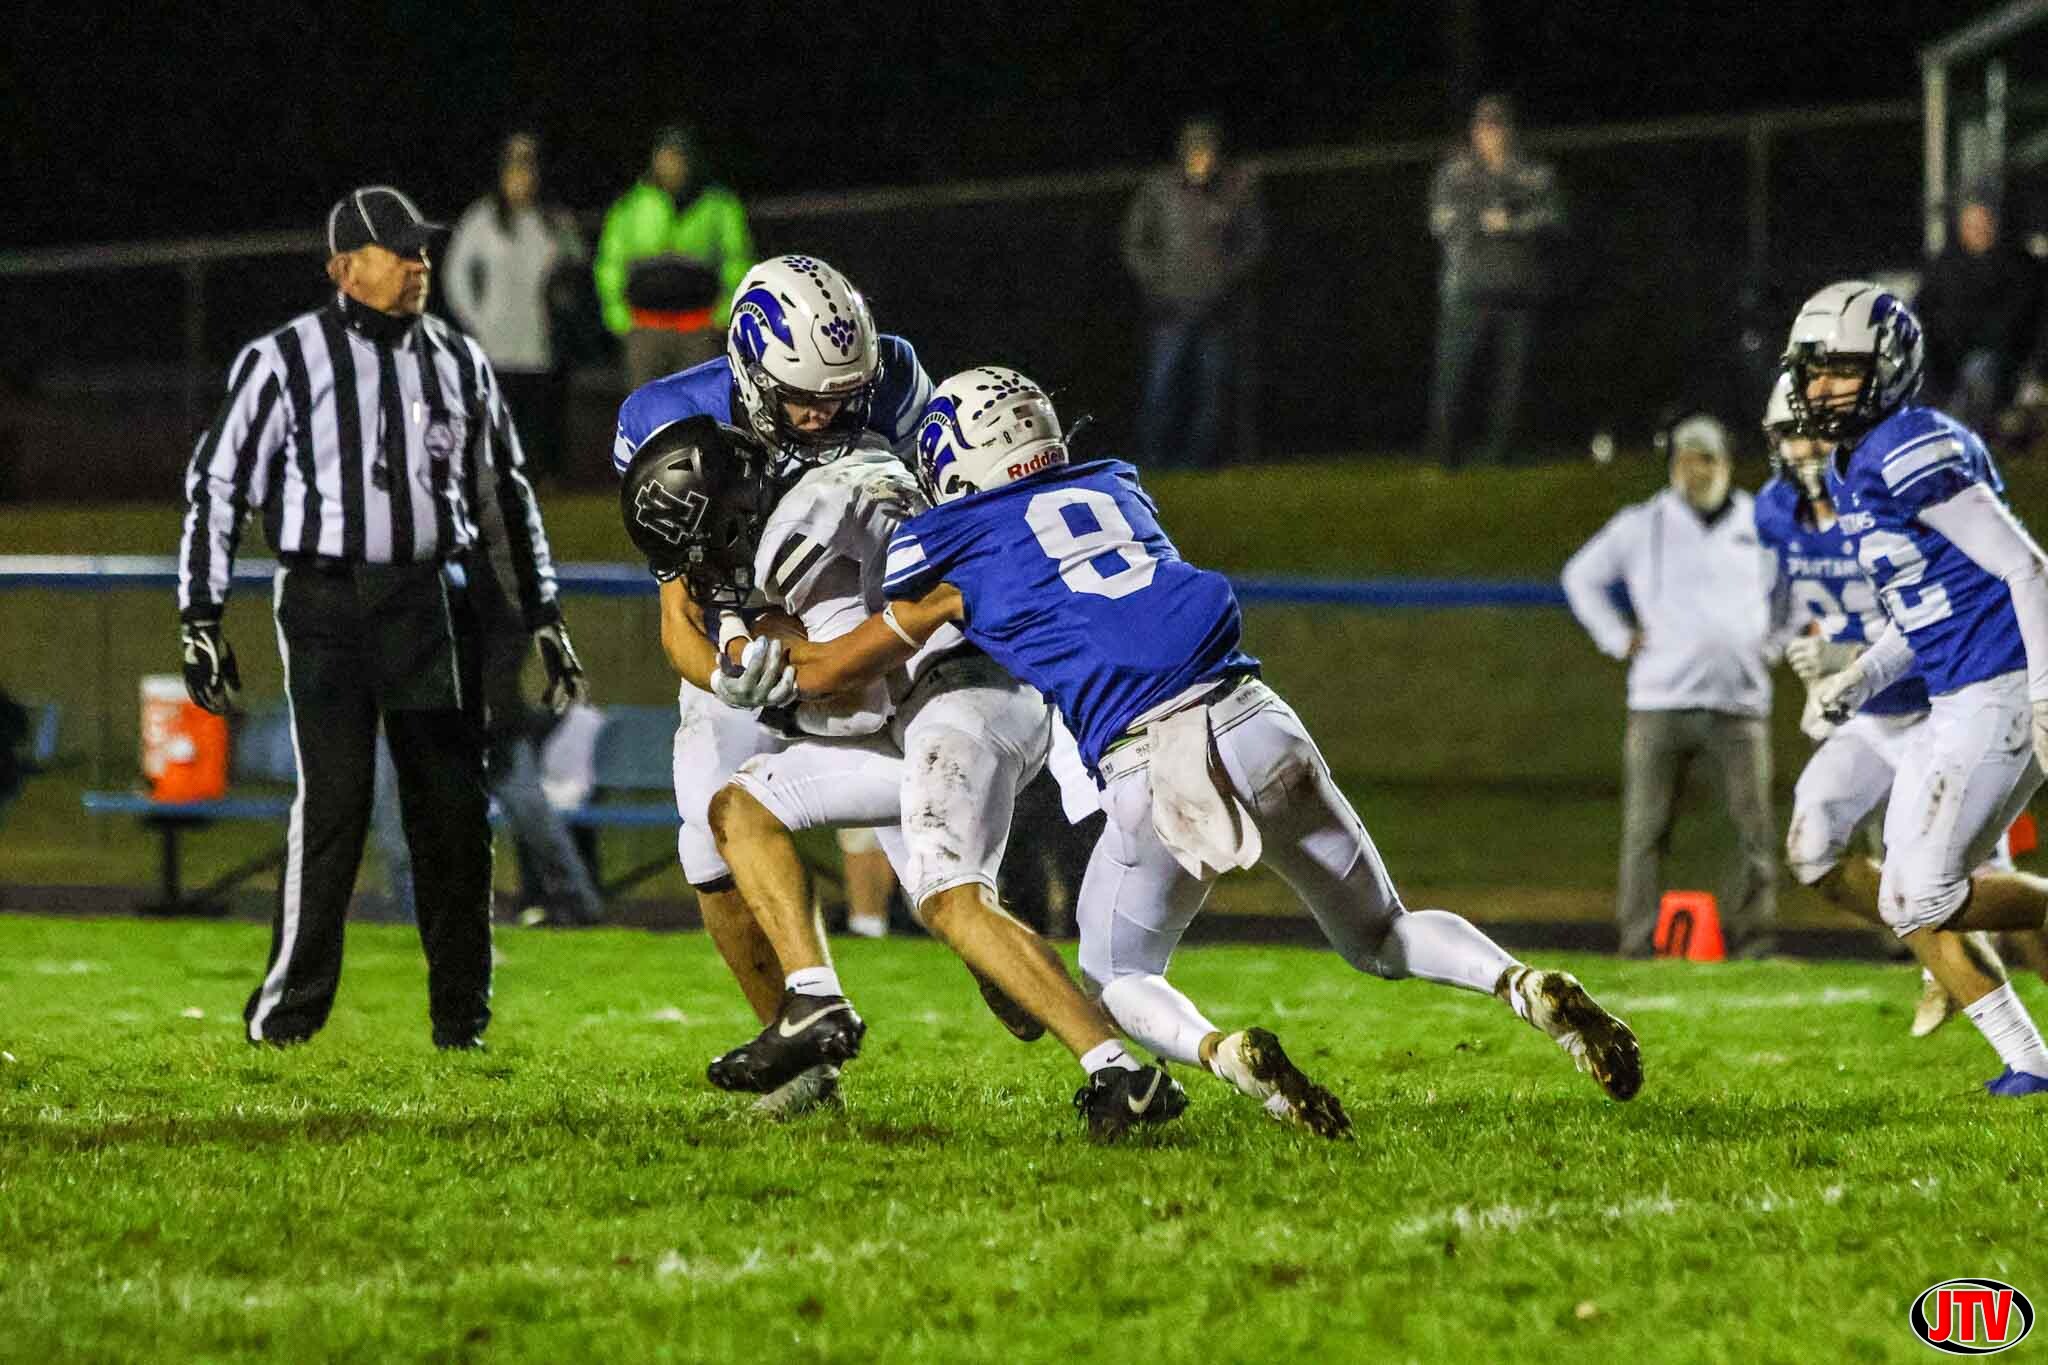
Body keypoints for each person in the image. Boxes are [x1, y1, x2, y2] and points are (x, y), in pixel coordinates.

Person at [764, 366, 1644, 1134]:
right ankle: (1521, 983)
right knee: (1382, 931)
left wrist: (756, 644)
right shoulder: (1116, 484)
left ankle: (1226, 1053)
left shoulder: (947, 539)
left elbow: (846, 658)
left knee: (1113, 974)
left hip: (1152, 755)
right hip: (1257, 714)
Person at [625, 414, 1186, 1140]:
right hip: (939, 707)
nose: (706, 576)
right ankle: (815, 998)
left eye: (706, 553)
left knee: (952, 899)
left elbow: (853, 691)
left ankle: (1119, 1072)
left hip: (966, 698)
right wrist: (760, 646)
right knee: (739, 807)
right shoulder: (835, 483)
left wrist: (775, 686)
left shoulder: (807, 525)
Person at [176, 186, 588, 1049]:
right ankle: (286, 1017)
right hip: (325, 601)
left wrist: (544, 611)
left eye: (422, 248)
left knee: (452, 811)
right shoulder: (284, 360)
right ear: (343, 268)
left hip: (430, 600)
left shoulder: (458, 359)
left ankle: (461, 1020)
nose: (418, 263)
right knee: (334, 804)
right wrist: (200, 616)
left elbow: (504, 495)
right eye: (397, 250)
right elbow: (218, 485)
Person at [1784, 280, 2048, 1095]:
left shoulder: (1909, 447)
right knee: (1904, 897)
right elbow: (1928, 605)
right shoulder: (1857, 461)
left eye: (1840, 369)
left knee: (1927, 889)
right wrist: (1860, 676)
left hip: (2003, 682)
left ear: (1890, 367)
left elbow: (2026, 566)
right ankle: (2030, 1063)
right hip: (1960, 689)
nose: (1821, 386)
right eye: (1813, 370)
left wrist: (2045, 691)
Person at [1757, 371, 2015, 1033]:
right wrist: (1817, 669)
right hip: (1867, 713)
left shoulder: (1877, 492)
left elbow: (1938, 607)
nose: (1804, 449)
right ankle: (1938, 948)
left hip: (1937, 700)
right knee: (1812, 843)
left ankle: (1952, 949)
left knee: (1988, 886)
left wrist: (1852, 658)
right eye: (1790, 434)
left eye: (1813, 432)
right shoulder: (1773, 512)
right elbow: (1791, 608)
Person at [1561, 413, 1780, 959]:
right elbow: (1580, 576)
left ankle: (1755, 943)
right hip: (1660, 700)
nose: (1693, 470)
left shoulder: (1762, 522)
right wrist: (1616, 637)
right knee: (1645, 830)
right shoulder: (1642, 524)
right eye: (1683, 459)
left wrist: (1775, 642)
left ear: (1725, 464)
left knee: (1753, 830)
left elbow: (1793, 588)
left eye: (1705, 458)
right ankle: (1636, 942)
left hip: (1739, 702)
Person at [1426, 94, 1565, 468]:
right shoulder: (1455, 173)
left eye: (1497, 126)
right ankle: (1445, 453)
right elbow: (1440, 221)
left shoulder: (1534, 173)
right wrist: (1481, 224)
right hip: (1466, 287)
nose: (1490, 134)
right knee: (1453, 376)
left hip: (1518, 288)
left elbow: (1554, 218)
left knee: (1512, 379)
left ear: (1510, 130)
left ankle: (1503, 453)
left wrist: (1513, 224)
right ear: (1474, 130)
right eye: (1484, 126)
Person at [1120, 118, 1266, 470]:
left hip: (1215, 310)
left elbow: (1253, 242)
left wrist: (1225, 279)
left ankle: (1197, 463)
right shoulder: (1159, 189)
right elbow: (1135, 243)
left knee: (1210, 392)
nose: (1202, 159)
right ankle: (1153, 460)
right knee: (1162, 388)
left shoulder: (1233, 190)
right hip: (1169, 310)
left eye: (1208, 152)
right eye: (1196, 151)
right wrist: (1157, 283)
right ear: (1183, 154)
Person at [442, 133, 585, 480]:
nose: (522, 178)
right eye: (515, 170)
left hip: (542, 344)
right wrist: (477, 320)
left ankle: (546, 482)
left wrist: (564, 308)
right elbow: (455, 274)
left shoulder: (556, 220)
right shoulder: (482, 218)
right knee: (500, 425)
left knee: (542, 427)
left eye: (529, 169)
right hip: (498, 348)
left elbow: (577, 268)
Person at [596, 125, 755, 388]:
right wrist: (619, 319)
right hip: (645, 330)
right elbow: (610, 265)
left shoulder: (719, 205)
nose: (674, 165)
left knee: (699, 408)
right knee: (646, 409)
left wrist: (723, 316)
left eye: (680, 157)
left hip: (700, 332)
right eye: (667, 156)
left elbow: (738, 261)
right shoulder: (630, 207)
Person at [1912, 191, 2042, 436]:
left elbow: (2016, 320)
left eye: (1984, 224)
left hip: (1995, 355)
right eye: (1972, 225)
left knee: (1977, 372)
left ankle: (1959, 437)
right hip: (1945, 352)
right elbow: (1923, 308)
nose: (1979, 231)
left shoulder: (2018, 266)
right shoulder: (1944, 264)